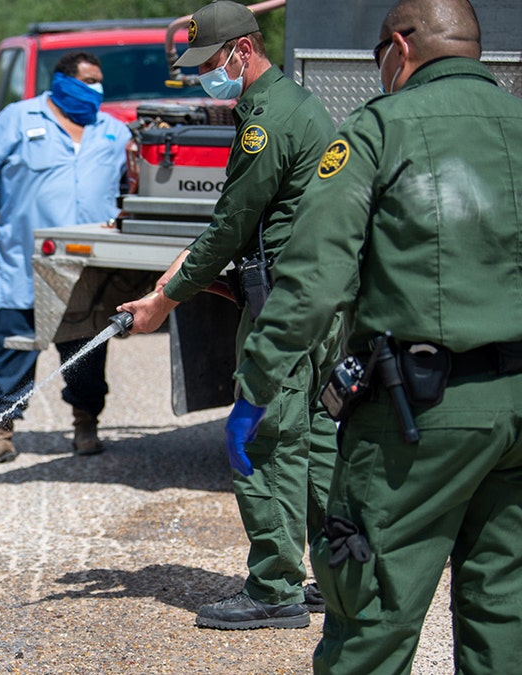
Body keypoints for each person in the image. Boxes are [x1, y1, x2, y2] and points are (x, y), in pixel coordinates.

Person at [230, 0, 522, 670]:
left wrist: (254, 388)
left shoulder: (378, 130)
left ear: (400, 46)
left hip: (420, 414)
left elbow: (313, 280)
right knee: (506, 612)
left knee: (372, 615)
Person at [119, 1, 340, 629]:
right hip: (319, 302)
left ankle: (274, 591)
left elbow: (231, 227)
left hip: (283, 309)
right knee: (318, 440)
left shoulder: (265, 122)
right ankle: (331, 578)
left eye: (209, 63)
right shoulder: (298, 104)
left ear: (242, 51)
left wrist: (166, 297)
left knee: (265, 440)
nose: (202, 77)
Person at [0, 50, 132, 466]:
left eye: (99, 82)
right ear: (62, 81)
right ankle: (0, 432)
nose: (96, 89)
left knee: (87, 350)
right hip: (27, 261)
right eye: (89, 80)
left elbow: (131, 187)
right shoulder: (18, 119)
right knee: (14, 346)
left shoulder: (114, 131)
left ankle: (86, 423)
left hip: (89, 268)